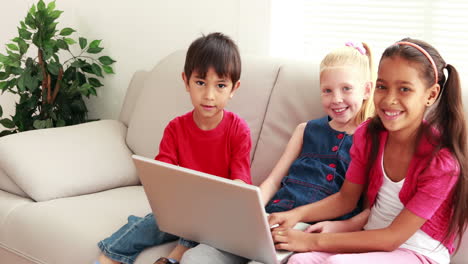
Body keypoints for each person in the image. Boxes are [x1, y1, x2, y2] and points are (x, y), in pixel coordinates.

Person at [269, 38, 468, 264]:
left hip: (418, 252)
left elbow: (391, 239)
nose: (389, 99)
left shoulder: (442, 162)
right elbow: (346, 199)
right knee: (298, 261)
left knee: (337, 263)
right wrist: (295, 215)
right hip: (371, 241)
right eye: (382, 86)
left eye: (404, 89)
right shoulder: (369, 136)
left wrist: (310, 242)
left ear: (431, 95)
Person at [180, 41, 375, 264]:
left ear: (367, 90)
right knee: (197, 256)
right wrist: (248, 211)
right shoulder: (305, 130)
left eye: (346, 89)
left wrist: (340, 228)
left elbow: (369, 210)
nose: (336, 99)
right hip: (273, 217)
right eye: (327, 91)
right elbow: (273, 182)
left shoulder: (373, 140)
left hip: (308, 231)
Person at [95, 32, 252, 264]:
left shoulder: (238, 129)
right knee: (143, 224)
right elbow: (162, 174)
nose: (209, 95)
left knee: (200, 221)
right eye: (200, 83)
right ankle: (106, 259)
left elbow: (241, 184)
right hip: (181, 211)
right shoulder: (176, 128)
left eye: (220, 85)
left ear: (234, 88)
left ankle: (176, 256)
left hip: (216, 216)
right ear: (186, 81)